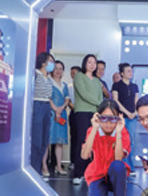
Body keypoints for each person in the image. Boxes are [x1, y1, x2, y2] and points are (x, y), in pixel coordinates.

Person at [82, 100, 131, 196]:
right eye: (104, 118)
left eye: (113, 119)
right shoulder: (92, 130)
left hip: (114, 173)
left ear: (118, 119)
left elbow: (118, 158)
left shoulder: (123, 131)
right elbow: (84, 155)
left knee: (118, 165)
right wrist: (94, 129)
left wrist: (119, 132)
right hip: (97, 173)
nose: (108, 123)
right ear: (97, 117)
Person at [73, 54, 103, 185]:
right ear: (85, 63)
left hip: (95, 114)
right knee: (82, 142)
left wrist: (100, 108)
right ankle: (78, 174)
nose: (92, 64)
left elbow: (100, 96)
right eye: (89, 62)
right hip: (82, 113)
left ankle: (89, 173)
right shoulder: (79, 76)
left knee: (94, 144)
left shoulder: (97, 80)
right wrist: (98, 103)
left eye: (94, 62)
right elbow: (84, 94)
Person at [42, 60, 69, 176]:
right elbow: (48, 97)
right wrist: (55, 109)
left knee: (59, 142)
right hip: (51, 114)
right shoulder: (48, 81)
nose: (58, 71)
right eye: (56, 68)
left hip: (61, 114)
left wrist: (62, 108)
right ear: (52, 70)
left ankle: (59, 165)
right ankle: (44, 166)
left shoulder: (65, 85)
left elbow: (67, 99)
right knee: (47, 141)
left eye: (60, 69)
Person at [112, 63, 139, 174]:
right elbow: (116, 101)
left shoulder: (134, 86)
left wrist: (135, 112)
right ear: (122, 73)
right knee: (120, 141)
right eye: (128, 71)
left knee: (130, 141)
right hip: (121, 117)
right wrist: (127, 112)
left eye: (131, 71)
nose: (130, 73)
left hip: (133, 117)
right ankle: (121, 166)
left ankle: (130, 167)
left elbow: (137, 101)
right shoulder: (116, 85)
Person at [31, 52, 55, 176]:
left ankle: (38, 168)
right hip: (37, 105)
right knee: (36, 140)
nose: (52, 64)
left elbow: (49, 97)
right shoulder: (35, 74)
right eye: (50, 61)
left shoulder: (50, 78)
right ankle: (34, 169)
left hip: (47, 107)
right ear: (43, 62)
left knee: (45, 141)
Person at [67, 66, 80, 171]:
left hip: (84, 114)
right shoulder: (69, 87)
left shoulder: (84, 86)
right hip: (74, 113)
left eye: (75, 73)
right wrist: (76, 108)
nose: (73, 75)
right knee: (74, 138)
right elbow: (69, 101)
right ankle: (73, 161)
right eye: (71, 73)